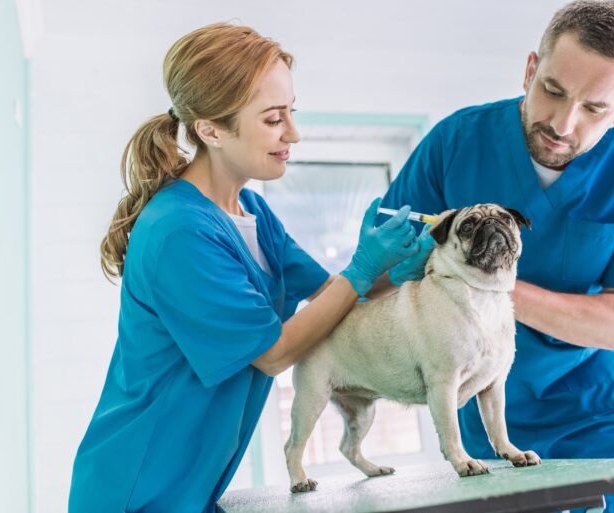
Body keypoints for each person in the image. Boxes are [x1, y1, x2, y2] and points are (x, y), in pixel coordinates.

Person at [68, 23, 426, 513]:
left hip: (191, 489)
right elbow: (274, 354)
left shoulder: (252, 211)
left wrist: (403, 267)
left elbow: (334, 299)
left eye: (291, 113)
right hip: (135, 490)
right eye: (274, 119)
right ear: (210, 129)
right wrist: (363, 270)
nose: (293, 134)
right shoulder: (179, 231)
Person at [381, 1, 614, 512]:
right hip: (489, 425)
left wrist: (481, 281)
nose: (562, 123)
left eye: (594, 109)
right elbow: (383, 269)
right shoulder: (454, 143)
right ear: (531, 69)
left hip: (597, 417)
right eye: (552, 91)